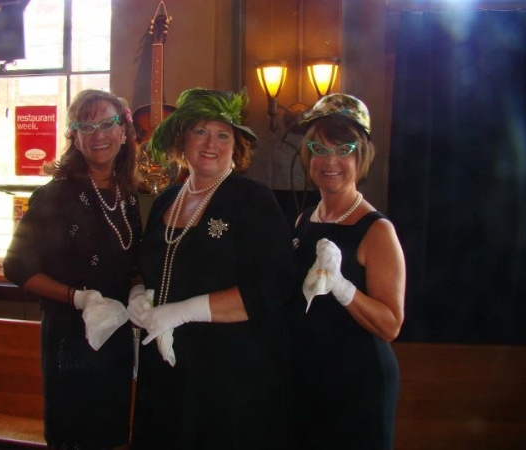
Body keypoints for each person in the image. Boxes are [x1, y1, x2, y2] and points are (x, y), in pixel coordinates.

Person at [127, 88, 295, 450]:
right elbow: (144, 265)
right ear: (182, 139)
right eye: (200, 131)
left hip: (225, 377)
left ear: (236, 146)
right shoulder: (166, 200)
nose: (211, 143)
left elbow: (275, 287)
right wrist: (138, 294)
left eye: (223, 135)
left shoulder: (252, 200)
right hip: (165, 371)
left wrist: (184, 312)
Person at [4, 89, 142, 450]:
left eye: (108, 123)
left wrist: (138, 289)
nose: (99, 135)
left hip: (115, 338)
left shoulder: (127, 192)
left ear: (124, 131)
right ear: (75, 138)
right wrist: (78, 297)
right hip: (71, 339)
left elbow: (132, 258)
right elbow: (17, 266)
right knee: (75, 435)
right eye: (86, 126)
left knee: (112, 433)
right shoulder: (55, 195)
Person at [288, 93, 406, 449]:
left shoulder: (377, 230)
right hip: (308, 377)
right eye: (320, 150)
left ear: (362, 155)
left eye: (343, 150)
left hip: (359, 382)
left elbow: (390, 324)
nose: (331, 161)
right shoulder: (302, 220)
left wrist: (342, 287)